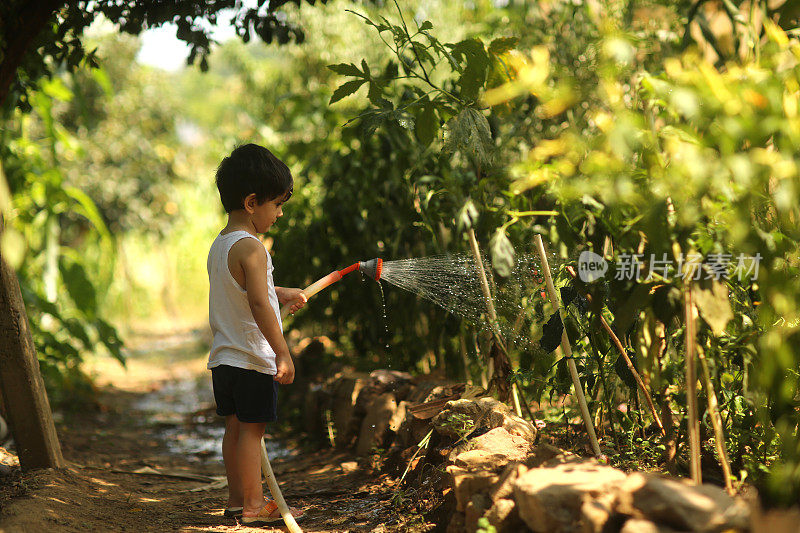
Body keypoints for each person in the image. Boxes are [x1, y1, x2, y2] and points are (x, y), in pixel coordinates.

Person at [207, 143, 306, 526]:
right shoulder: (254, 248)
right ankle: (252, 504)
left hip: (225, 359)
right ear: (252, 202)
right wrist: (281, 352)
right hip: (251, 358)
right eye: (277, 204)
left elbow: (249, 291)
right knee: (252, 433)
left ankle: (236, 501)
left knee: (234, 430)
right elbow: (260, 305)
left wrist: (283, 292)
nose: (279, 214)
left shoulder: (222, 244)